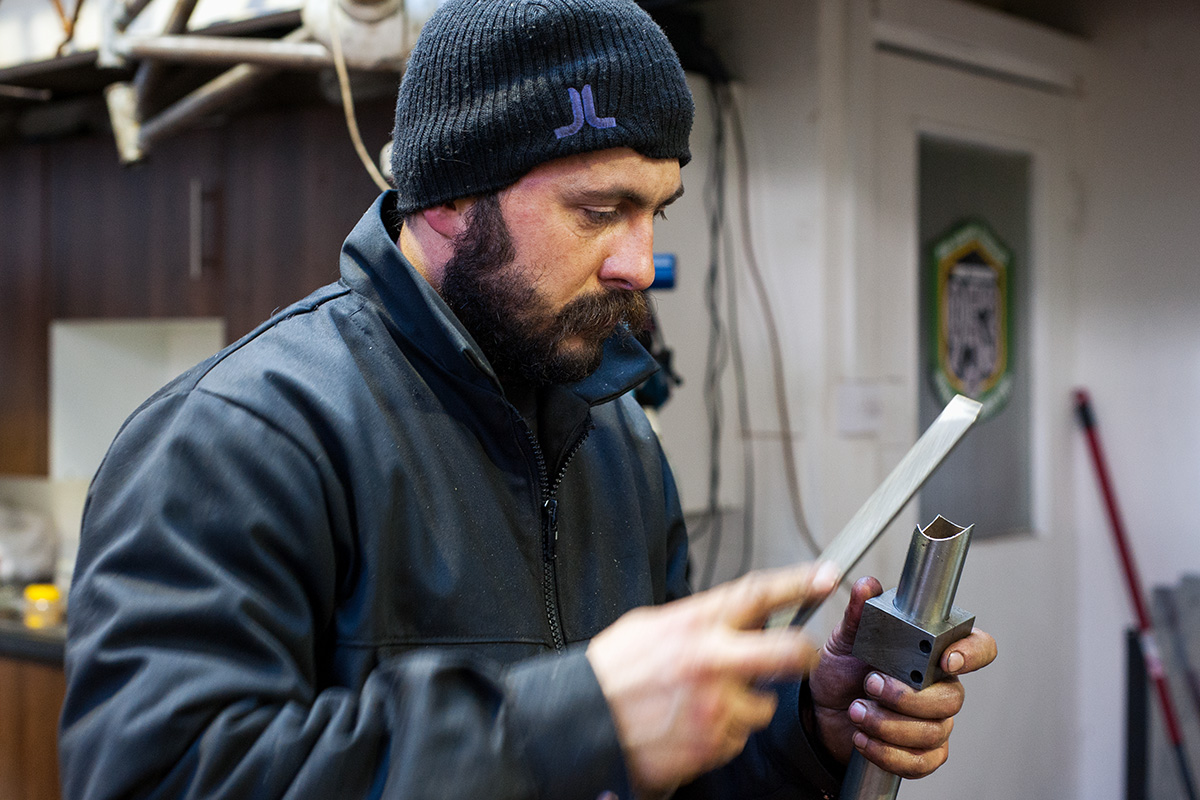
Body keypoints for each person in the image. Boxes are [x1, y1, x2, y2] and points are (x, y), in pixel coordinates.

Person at [59, 0, 996, 798]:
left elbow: (656, 770)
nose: (640, 264)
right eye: (599, 211)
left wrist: (809, 731)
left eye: (654, 212)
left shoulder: (617, 439)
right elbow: (159, 774)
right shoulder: (239, 437)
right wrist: (571, 720)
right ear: (450, 199)